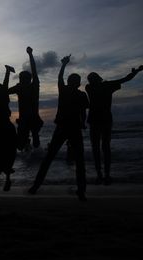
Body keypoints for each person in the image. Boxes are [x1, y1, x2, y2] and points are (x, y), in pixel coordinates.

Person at [28, 55, 89, 201]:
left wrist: (64, 64)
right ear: (79, 83)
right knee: (79, 161)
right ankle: (81, 191)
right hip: (71, 128)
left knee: (49, 158)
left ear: (70, 82)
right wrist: (83, 123)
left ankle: (36, 186)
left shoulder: (65, 90)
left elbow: (59, 77)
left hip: (62, 128)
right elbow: (83, 112)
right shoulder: (79, 94)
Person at [86, 65, 143, 185]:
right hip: (105, 120)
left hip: (95, 120)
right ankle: (105, 175)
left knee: (96, 148)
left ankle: (100, 175)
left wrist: (135, 72)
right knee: (105, 148)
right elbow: (125, 79)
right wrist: (136, 72)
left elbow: (125, 79)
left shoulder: (89, 87)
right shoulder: (106, 86)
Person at [8, 46, 43, 150]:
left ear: (27, 79)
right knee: (21, 146)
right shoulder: (20, 87)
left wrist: (30, 55)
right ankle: (29, 148)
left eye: (22, 78)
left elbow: (34, 70)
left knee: (34, 142)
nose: (20, 80)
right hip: (25, 119)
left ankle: (33, 152)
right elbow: (6, 91)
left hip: (32, 118)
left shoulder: (33, 86)